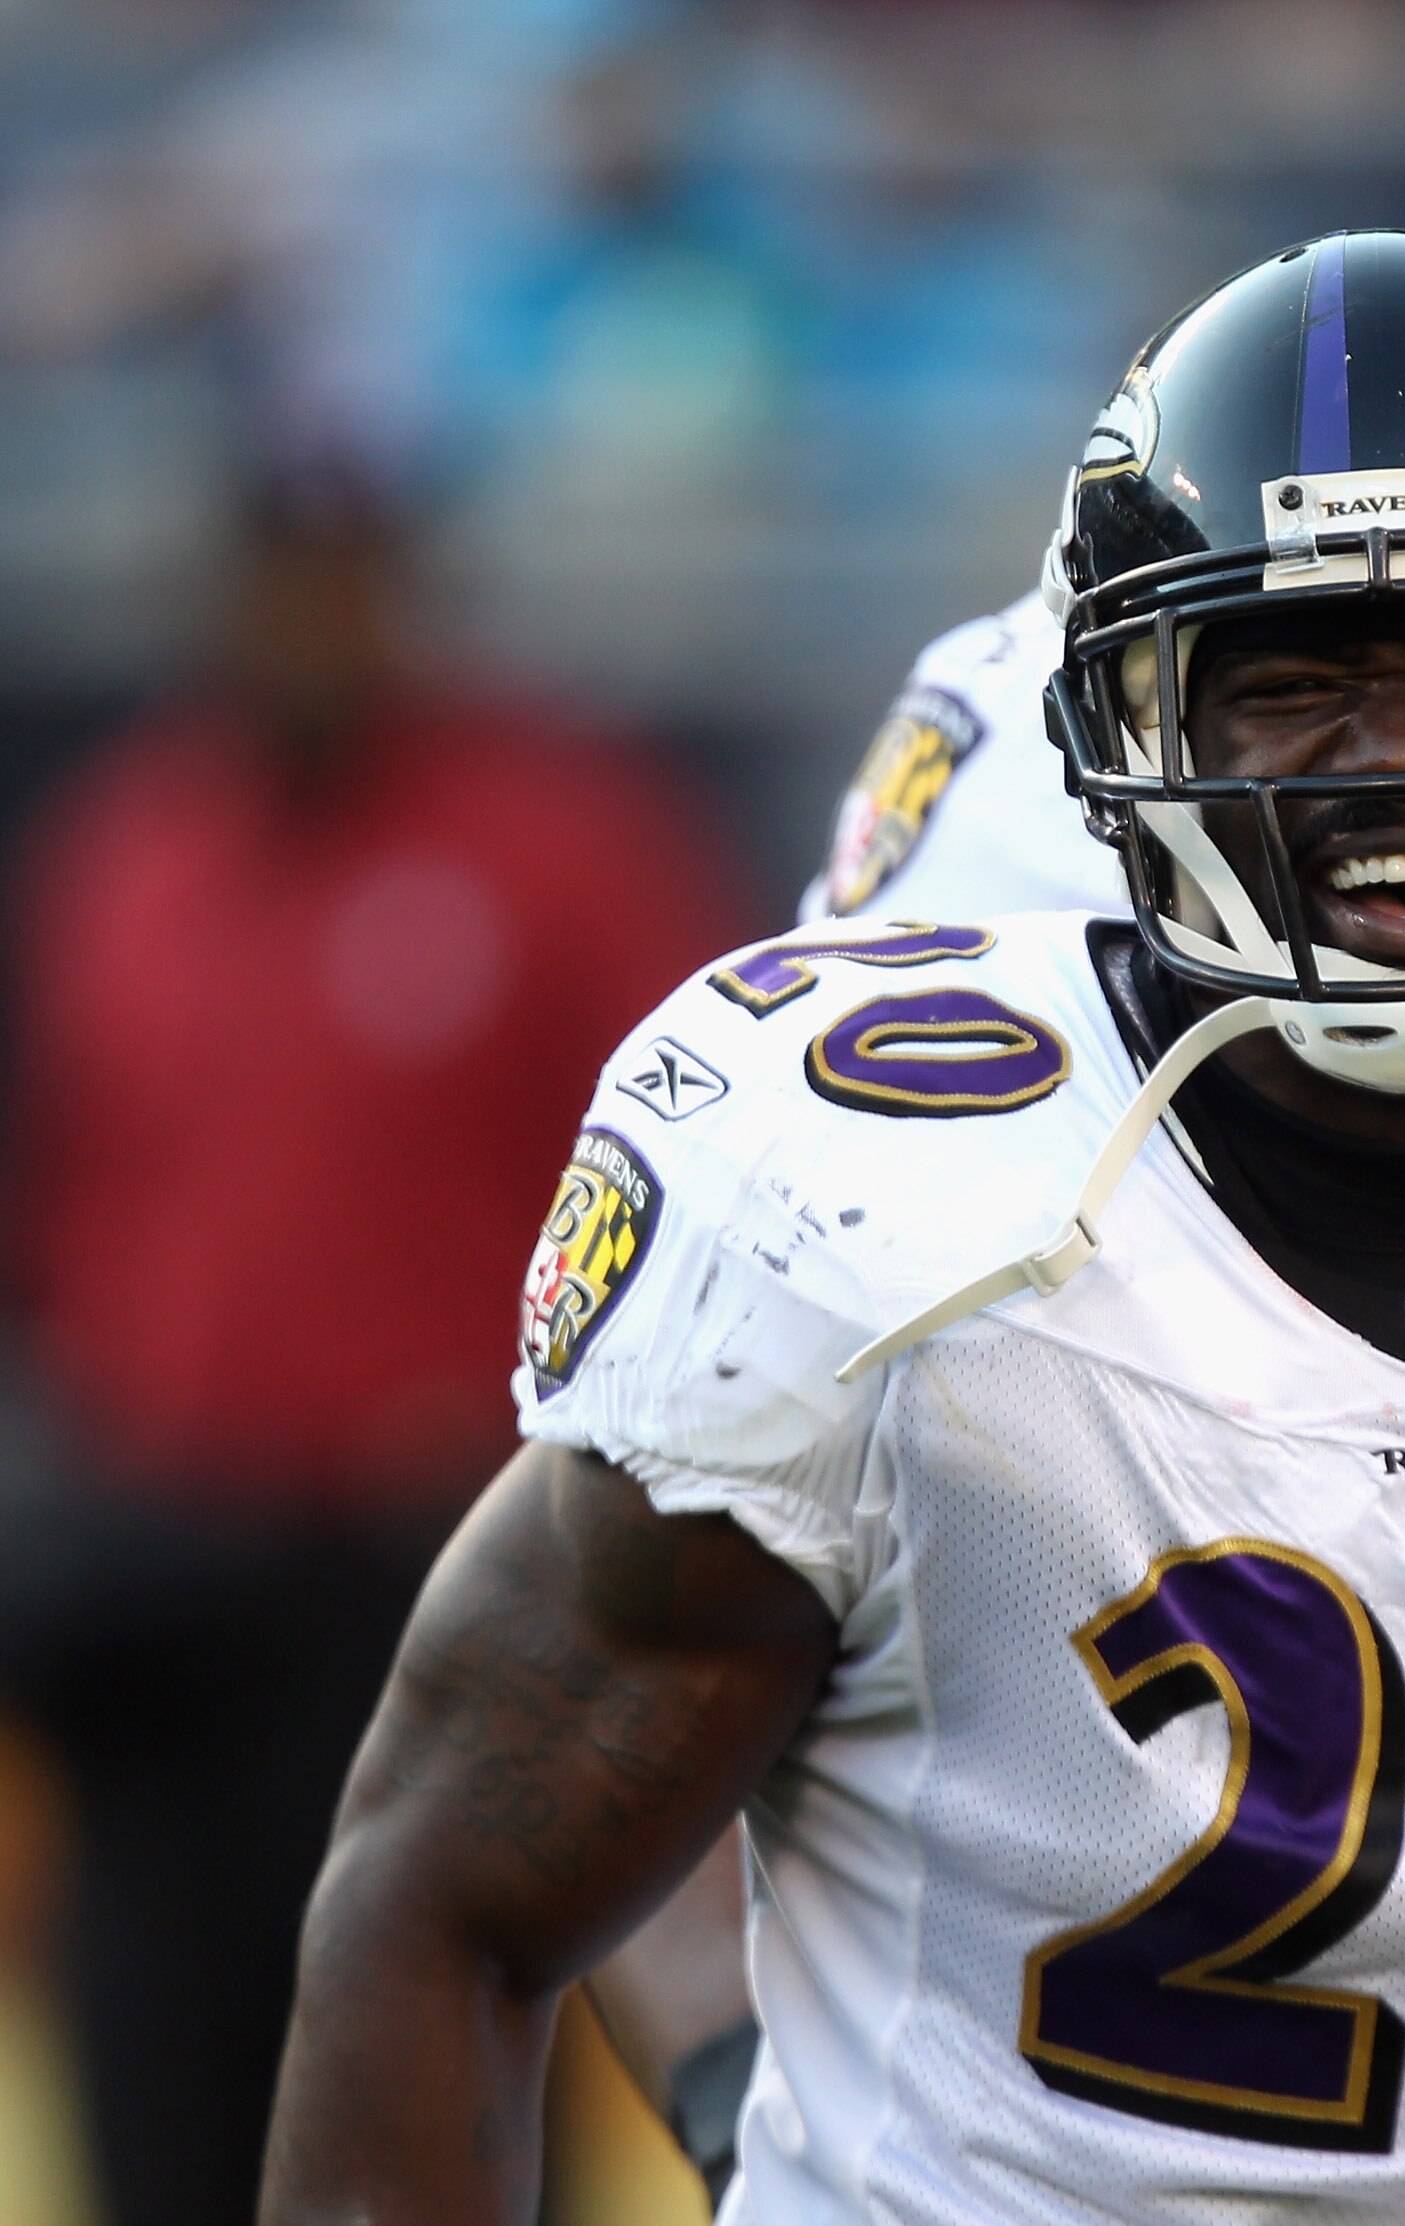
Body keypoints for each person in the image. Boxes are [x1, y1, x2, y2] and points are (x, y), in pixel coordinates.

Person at [261, 233, 1405, 2226]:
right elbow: (442, 1909)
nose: (1399, 757)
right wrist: (740, 2089)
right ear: (1130, 723)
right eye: (1292, 676)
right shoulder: (865, 1206)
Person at [0, 461, 745, 2226]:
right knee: (156, 2088)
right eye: (274, 573)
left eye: (339, 575)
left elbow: (715, 1196)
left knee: (438, 2098)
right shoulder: (129, 841)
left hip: (440, 1582)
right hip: (167, 1584)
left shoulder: (557, 836)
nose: (304, 619)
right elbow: (61, 1203)